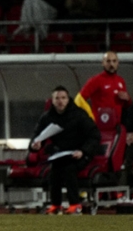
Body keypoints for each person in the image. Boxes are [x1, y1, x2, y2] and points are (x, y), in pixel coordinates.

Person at [29, 86, 101, 215]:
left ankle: (75, 204)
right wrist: (35, 145)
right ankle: (55, 205)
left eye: (63, 98)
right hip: (61, 155)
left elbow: (94, 135)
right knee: (54, 171)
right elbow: (37, 135)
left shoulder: (79, 114)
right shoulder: (47, 117)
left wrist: (83, 151)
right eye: (57, 98)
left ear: (68, 99)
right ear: (52, 100)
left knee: (69, 169)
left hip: (81, 153)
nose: (60, 101)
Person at [74, 51, 130, 130]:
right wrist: (91, 116)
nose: (111, 64)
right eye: (108, 61)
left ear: (118, 63)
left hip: (117, 125)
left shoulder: (121, 80)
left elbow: (125, 105)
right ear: (103, 63)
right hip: (100, 125)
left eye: (114, 61)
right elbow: (79, 100)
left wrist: (128, 99)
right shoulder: (96, 80)